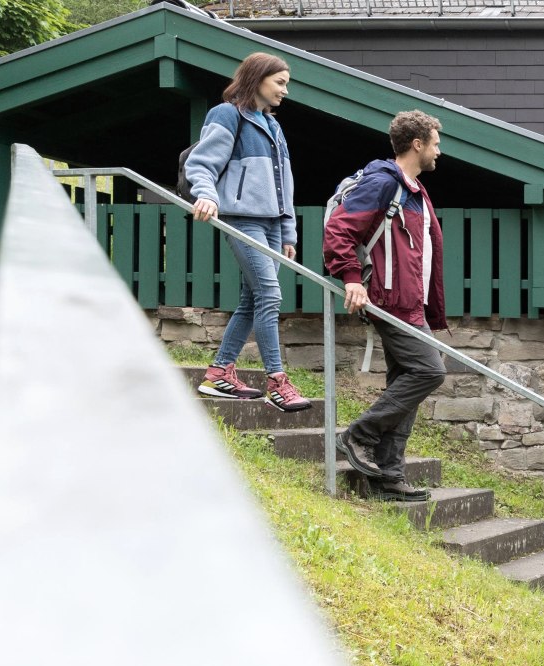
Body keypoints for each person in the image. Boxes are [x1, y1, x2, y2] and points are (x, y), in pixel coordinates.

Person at [323, 110, 448, 502]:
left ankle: (388, 476)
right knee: (430, 371)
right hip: (388, 302)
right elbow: (339, 229)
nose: (439, 151)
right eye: (436, 142)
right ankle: (357, 434)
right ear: (417, 144)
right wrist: (351, 278)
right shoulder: (382, 183)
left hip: (412, 303)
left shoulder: (414, 190)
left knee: (405, 384)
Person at [184, 52, 313, 413]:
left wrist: (288, 232)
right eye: (280, 83)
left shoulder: (273, 126)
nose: (285, 91)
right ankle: (277, 382)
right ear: (257, 78)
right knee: (270, 295)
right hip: (243, 220)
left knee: (252, 299)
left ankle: (218, 372)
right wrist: (207, 195)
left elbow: (284, 183)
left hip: (273, 224)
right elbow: (202, 163)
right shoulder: (226, 115)